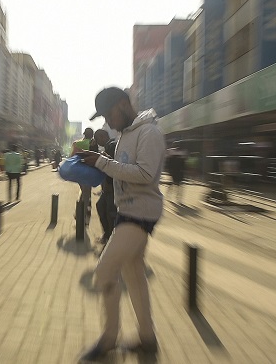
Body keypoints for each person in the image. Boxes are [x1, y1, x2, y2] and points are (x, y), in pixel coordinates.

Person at [78, 87, 165, 360]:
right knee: (134, 277)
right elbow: (121, 172)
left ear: (125, 104)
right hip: (126, 212)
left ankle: (108, 339)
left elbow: (146, 174)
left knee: (104, 271)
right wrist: (94, 165)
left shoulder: (149, 133)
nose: (108, 120)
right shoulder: (125, 135)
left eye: (109, 113)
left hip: (140, 214)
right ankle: (147, 339)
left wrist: (103, 163)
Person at [93, 129, 117, 245]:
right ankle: (107, 235)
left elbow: (114, 163)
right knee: (100, 206)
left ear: (102, 137)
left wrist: (103, 157)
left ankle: (111, 240)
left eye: (97, 140)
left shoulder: (112, 145)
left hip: (112, 187)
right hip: (107, 187)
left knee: (110, 212)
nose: (98, 143)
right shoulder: (108, 146)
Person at [71, 127, 95, 225]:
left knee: (83, 192)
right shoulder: (92, 144)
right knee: (86, 194)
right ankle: (81, 216)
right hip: (88, 172)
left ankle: (79, 213)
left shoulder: (76, 144)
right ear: (92, 135)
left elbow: (71, 158)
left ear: (84, 134)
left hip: (78, 172)